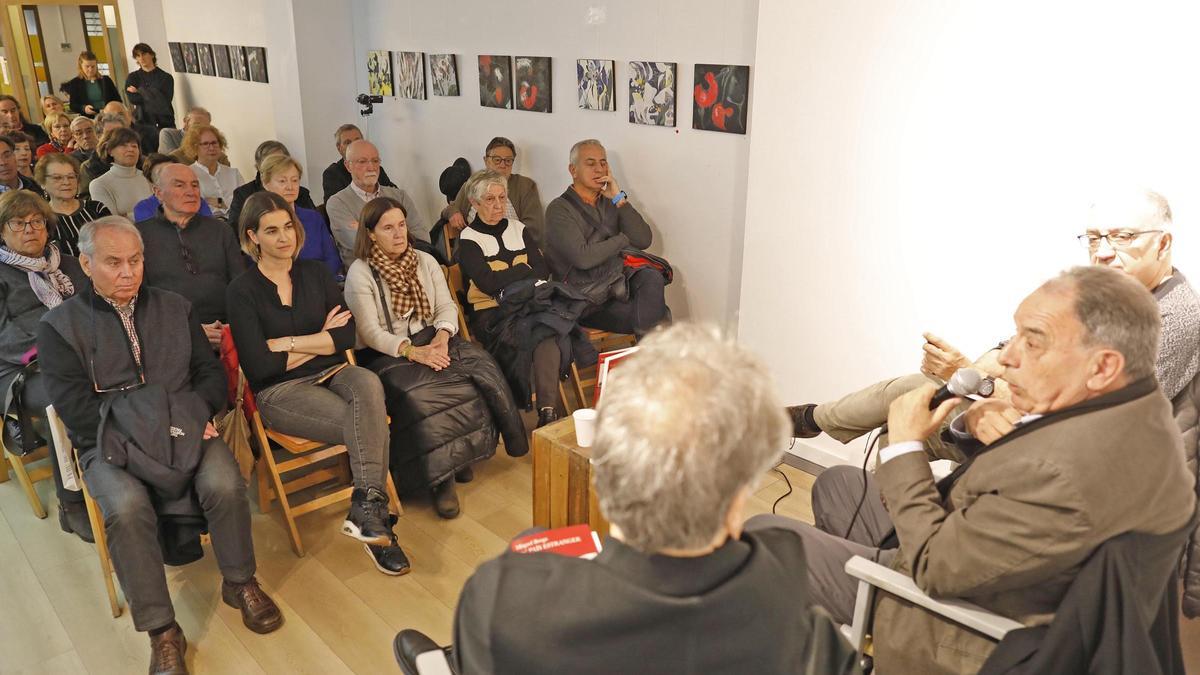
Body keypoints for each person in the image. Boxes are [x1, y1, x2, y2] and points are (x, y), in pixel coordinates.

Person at [763, 265, 1196, 673]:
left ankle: (850, 619)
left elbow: (935, 566)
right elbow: (1032, 491)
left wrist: (907, 447)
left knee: (768, 538)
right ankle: (837, 620)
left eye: (1032, 341)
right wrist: (972, 423)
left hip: (958, 620)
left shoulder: (1062, 472)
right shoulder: (1138, 413)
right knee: (840, 484)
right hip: (985, 561)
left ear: (1102, 366)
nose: (1005, 357)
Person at [397, 322, 857, 675]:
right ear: (740, 493)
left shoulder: (499, 595)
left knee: (532, 543)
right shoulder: (808, 637)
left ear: (607, 475)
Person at [37, 217, 284, 673]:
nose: (128, 272)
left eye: (136, 260)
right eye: (113, 263)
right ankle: (162, 629)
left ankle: (239, 581)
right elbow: (76, 411)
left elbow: (209, 376)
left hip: (185, 431)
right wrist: (154, 433)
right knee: (127, 507)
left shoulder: (176, 306)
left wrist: (193, 418)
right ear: (86, 265)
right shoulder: (59, 327)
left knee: (226, 482)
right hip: (111, 444)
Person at [227, 191, 408, 574]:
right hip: (280, 392)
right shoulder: (241, 292)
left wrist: (287, 344)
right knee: (365, 421)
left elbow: (346, 338)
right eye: (271, 230)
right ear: (252, 236)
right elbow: (261, 367)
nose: (284, 237)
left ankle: (367, 509)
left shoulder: (315, 273)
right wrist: (318, 339)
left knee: (368, 382)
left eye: (288, 226)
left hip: (334, 372)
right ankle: (378, 528)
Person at [345, 195, 528, 519]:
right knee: (425, 394)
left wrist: (443, 338)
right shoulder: (361, 273)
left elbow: (446, 308)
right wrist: (413, 352)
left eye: (401, 225)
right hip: (388, 351)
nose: (399, 233)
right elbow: (371, 332)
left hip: (434, 336)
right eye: (388, 228)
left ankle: (462, 457)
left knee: (482, 370)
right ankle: (440, 481)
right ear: (371, 234)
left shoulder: (424, 260)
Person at [456, 170, 585, 428]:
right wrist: (522, 270)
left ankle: (547, 412)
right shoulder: (468, 238)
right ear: (475, 203)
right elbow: (487, 283)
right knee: (547, 329)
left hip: (530, 304)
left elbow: (542, 269)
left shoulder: (519, 228)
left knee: (544, 330)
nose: (498, 205)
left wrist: (511, 275)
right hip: (492, 313)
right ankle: (549, 411)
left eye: (502, 198)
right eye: (490, 199)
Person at [0, 190, 89, 541]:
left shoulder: (66, 263)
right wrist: (55, 343)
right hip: (20, 369)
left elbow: (94, 309)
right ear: (3, 231)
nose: (29, 229)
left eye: (37, 222)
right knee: (61, 400)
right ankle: (73, 502)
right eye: (18, 223)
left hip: (79, 356)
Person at [544, 139, 667, 338]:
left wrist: (619, 198)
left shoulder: (611, 202)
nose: (599, 169)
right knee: (661, 316)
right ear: (573, 170)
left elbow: (644, 239)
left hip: (615, 284)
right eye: (590, 163)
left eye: (603, 163)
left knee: (651, 276)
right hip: (583, 298)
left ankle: (648, 364)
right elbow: (583, 258)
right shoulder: (558, 209)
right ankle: (651, 365)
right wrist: (622, 240)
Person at [136, 164, 244, 349]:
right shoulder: (139, 236)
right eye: (179, 185)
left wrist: (231, 327)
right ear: (158, 193)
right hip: (171, 334)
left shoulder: (220, 230)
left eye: (195, 185)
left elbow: (240, 284)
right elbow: (140, 301)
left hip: (226, 329)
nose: (190, 192)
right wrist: (188, 329)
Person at [326, 140, 427, 267]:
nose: (371, 167)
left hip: (409, 267)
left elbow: (422, 236)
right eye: (362, 162)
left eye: (375, 161)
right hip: (367, 274)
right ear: (348, 166)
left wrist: (366, 230)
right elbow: (359, 245)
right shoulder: (337, 203)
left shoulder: (399, 196)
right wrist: (401, 235)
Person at [443, 136, 543, 238]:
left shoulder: (525, 186)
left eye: (508, 160)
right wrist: (453, 213)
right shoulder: (472, 185)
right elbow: (450, 208)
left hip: (514, 246)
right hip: (475, 246)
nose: (503, 165)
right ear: (486, 160)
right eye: (497, 160)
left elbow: (533, 228)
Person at [259, 154, 339, 275]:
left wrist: (321, 282)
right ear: (266, 184)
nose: (290, 187)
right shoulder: (260, 221)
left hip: (321, 283)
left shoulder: (313, 217)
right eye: (282, 181)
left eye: (295, 180)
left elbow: (332, 258)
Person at [226, 140, 316, 228]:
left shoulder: (301, 193)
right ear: (259, 166)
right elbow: (236, 231)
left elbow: (315, 224)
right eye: (270, 161)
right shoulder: (243, 194)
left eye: (280, 160)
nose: (290, 187)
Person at [36, 153, 110, 257]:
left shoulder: (97, 209)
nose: (66, 182)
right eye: (57, 178)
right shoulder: (40, 220)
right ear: (42, 183)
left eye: (71, 177)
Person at [321, 123, 396, 203]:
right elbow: (336, 206)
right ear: (339, 148)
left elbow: (394, 195)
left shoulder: (375, 168)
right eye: (348, 142)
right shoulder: (332, 174)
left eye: (357, 140)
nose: (354, 145)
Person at [88, 127, 151, 219]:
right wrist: (149, 213)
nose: (130, 149)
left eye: (134, 146)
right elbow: (113, 221)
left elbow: (163, 211)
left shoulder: (149, 177)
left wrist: (128, 215)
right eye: (124, 145)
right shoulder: (99, 184)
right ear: (110, 151)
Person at [132, 154, 213, 223]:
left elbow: (210, 229)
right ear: (152, 184)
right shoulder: (143, 208)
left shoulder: (196, 201)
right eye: (162, 173)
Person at [183, 124, 241, 219]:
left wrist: (219, 202)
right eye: (205, 144)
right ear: (195, 147)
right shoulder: (187, 174)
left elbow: (244, 204)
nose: (211, 148)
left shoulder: (234, 173)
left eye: (214, 143)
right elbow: (196, 207)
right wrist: (228, 205)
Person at [124, 43, 175, 137]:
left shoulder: (166, 77)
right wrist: (154, 93)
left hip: (165, 121)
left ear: (151, 55)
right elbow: (133, 99)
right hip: (142, 122)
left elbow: (164, 101)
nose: (141, 58)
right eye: (138, 56)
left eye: (144, 54)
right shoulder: (133, 77)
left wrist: (139, 91)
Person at [59, 51, 121, 118]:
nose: (90, 69)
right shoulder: (75, 83)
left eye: (93, 66)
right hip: (89, 118)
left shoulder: (106, 80)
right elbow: (73, 105)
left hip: (109, 116)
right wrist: (84, 108)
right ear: (81, 66)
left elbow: (117, 100)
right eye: (87, 66)